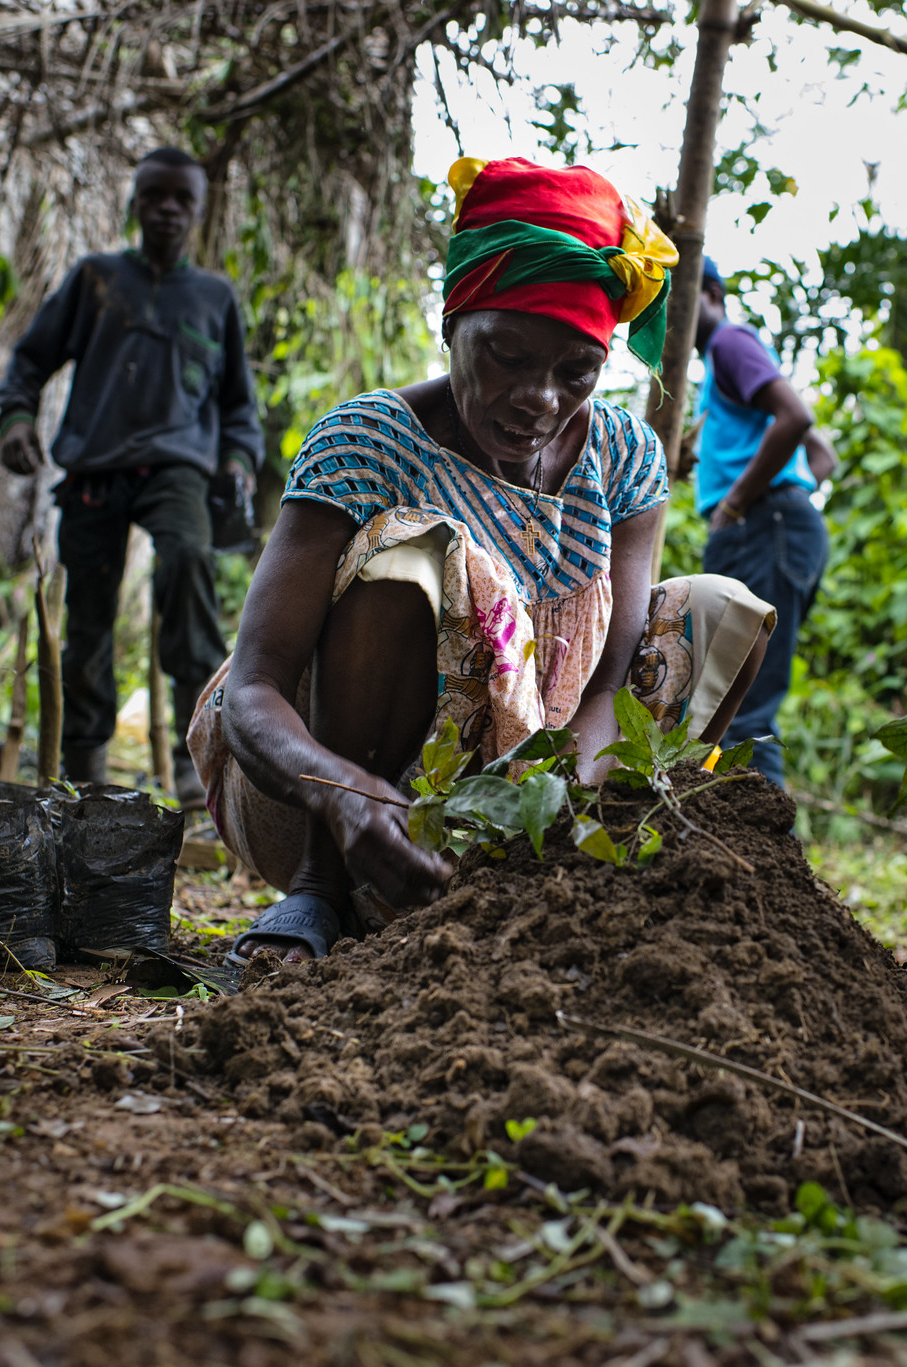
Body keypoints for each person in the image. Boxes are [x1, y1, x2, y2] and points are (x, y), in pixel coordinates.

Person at [188, 157, 776, 962]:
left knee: (717, 609)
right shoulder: (368, 440)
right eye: (505, 354)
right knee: (416, 552)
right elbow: (254, 686)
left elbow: (610, 684)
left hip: (505, 813)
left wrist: (553, 803)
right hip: (326, 804)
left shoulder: (626, 456)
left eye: (577, 371)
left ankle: (553, 889)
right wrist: (345, 797)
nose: (539, 397)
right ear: (452, 324)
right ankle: (320, 897)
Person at [0, 146, 262, 805]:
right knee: (85, 615)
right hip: (95, 464)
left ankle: (201, 776)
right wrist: (16, 422)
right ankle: (82, 779)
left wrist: (238, 461)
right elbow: (28, 362)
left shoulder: (213, 297)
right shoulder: (96, 279)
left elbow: (238, 405)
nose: (168, 209)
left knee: (189, 566)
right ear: (135, 203)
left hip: (178, 467)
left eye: (182, 200)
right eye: (155, 196)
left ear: (198, 213)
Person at [693, 257, 835, 786]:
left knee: (740, 707)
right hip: (780, 527)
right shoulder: (722, 365)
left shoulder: (729, 343)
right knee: (732, 701)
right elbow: (822, 454)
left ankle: (768, 858)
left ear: (709, 292)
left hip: (762, 527)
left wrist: (741, 504)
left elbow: (798, 419)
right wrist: (791, 500)